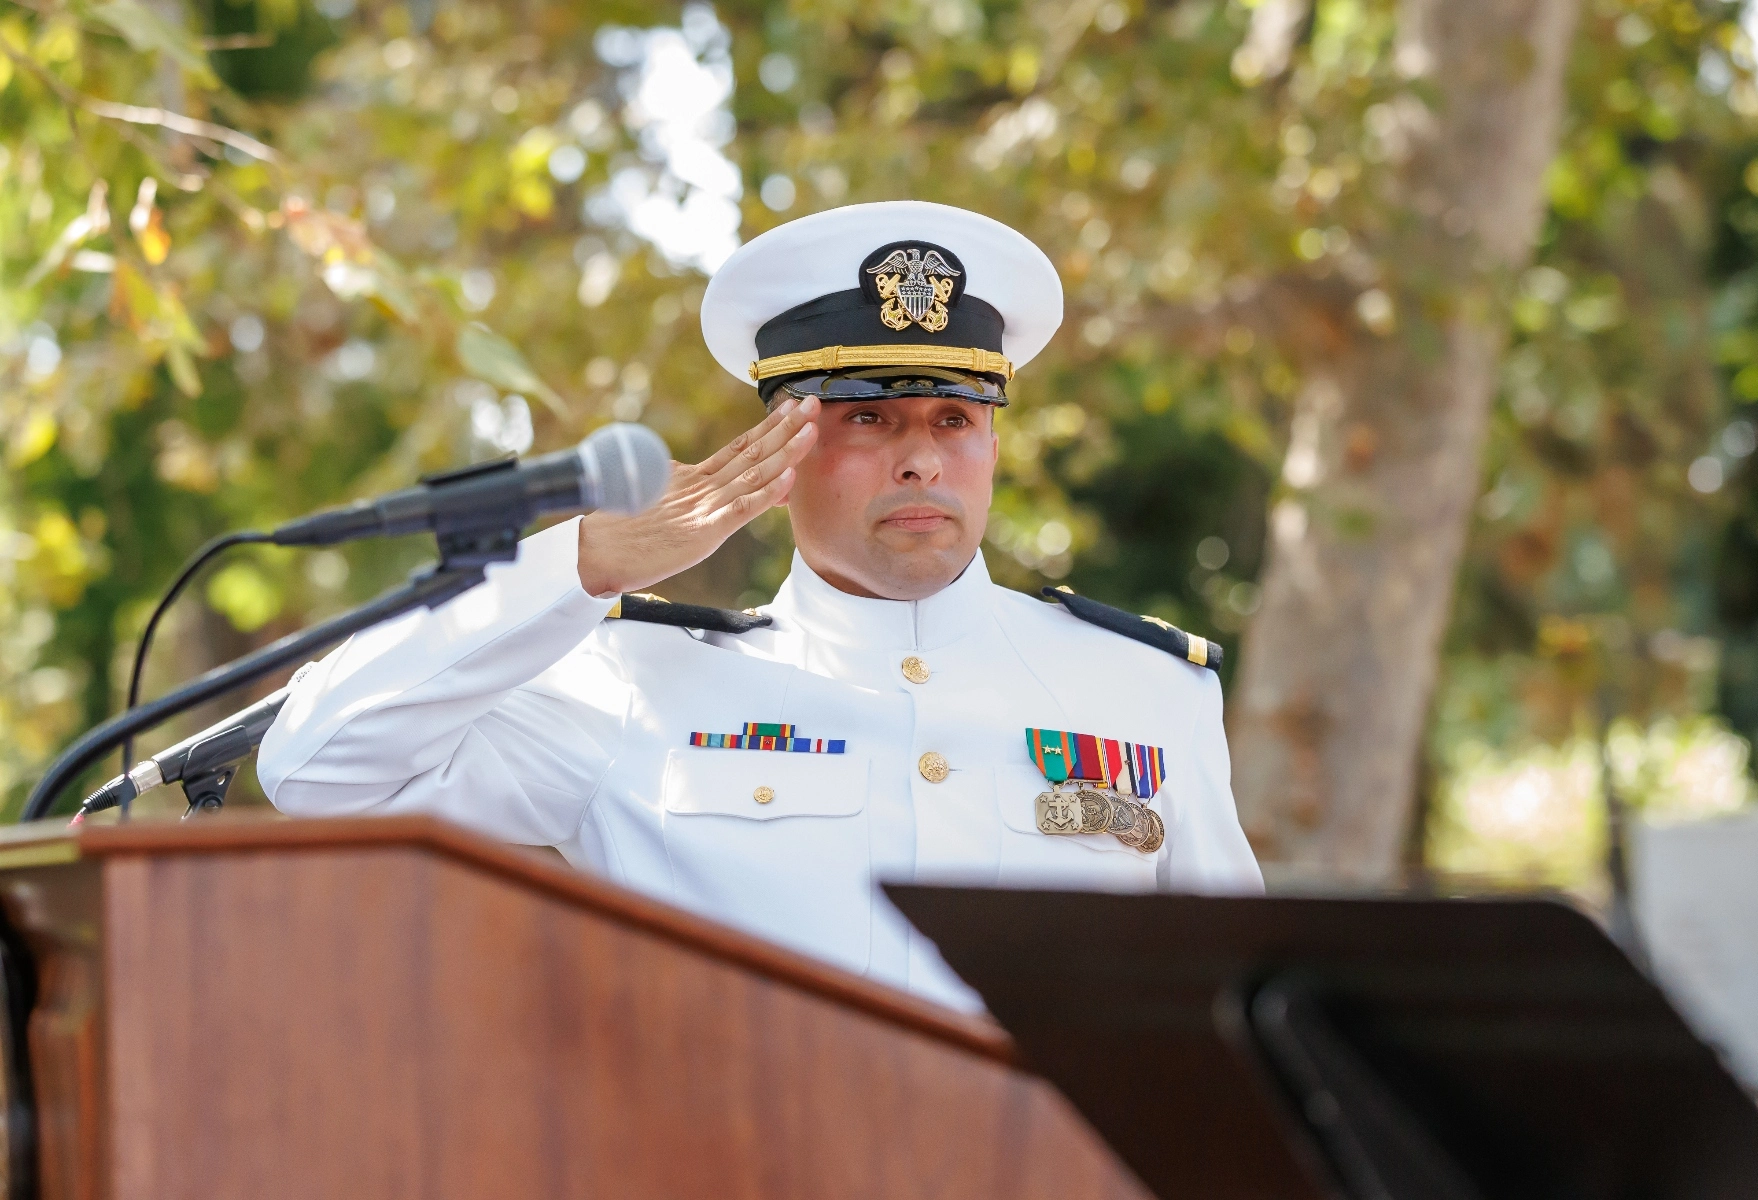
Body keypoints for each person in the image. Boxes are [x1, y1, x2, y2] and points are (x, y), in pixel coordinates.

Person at [259, 200, 1260, 1010]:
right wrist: (580, 563)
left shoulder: (1144, 693)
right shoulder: (635, 688)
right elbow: (314, 766)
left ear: (994, 447)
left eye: (955, 417)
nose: (922, 456)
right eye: (869, 417)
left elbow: (1235, 1005)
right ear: (782, 449)